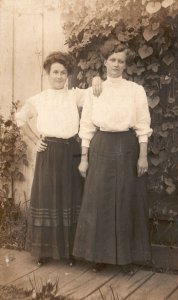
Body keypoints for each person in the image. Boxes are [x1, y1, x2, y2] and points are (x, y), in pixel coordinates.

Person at [73, 39, 153, 274]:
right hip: (101, 145)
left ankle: (126, 259)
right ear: (105, 62)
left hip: (127, 147)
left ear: (125, 64)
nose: (117, 65)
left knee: (126, 200)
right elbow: (86, 124)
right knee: (100, 201)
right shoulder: (94, 90)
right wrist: (84, 158)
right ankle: (100, 257)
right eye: (113, 60)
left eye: (121, 61)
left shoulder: (135, 90)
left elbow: (142, 124)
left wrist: (143, 156)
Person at [15, 51, 101, 266]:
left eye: (63, 73)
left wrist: (98, 78)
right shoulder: (39, 99)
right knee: (47, 198)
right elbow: (20, 118)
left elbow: (95, 92)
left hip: (70, 151)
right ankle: (44, 252)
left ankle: (70, 252)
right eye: (55, 72)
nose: (59, 76)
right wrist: (35, 141)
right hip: (49, 152)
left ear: (68, 75)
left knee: (70, 199)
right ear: (48, 73)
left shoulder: (74, 95)